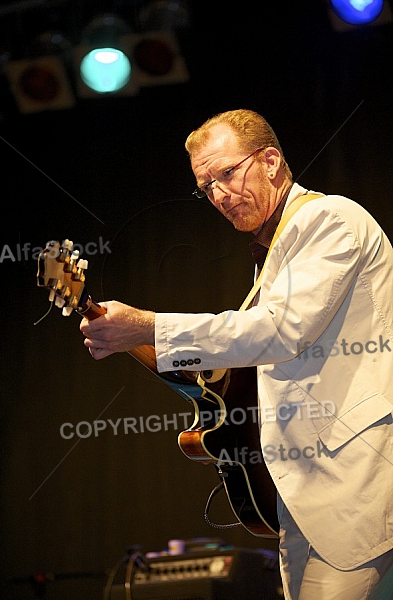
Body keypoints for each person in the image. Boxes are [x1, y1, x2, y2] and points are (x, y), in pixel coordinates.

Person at [80, 109, 393, 599]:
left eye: (226, 173)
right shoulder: (276, 249)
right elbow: (242, 364)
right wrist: (133, 340)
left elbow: (279, 330)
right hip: (300, 493)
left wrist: (149, 325)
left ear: (270, 161)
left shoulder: (328, 218)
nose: (219, 195)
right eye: (206, 188)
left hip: (353, 481)